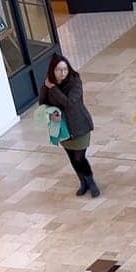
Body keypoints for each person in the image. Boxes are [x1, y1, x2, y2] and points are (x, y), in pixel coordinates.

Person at [39, 54, 100, 198]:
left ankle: (91, 183)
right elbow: (42, 103)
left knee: (79, 157)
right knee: (72, 157)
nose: (62, 73)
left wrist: (53, 88)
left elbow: (69, 103)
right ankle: (83, 183)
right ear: (52, 71)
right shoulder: (47, 85)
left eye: (65, 69)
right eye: (59, 70)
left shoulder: (75, 82)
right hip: (62, 128)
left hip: (79, 126)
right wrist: (50, 108)